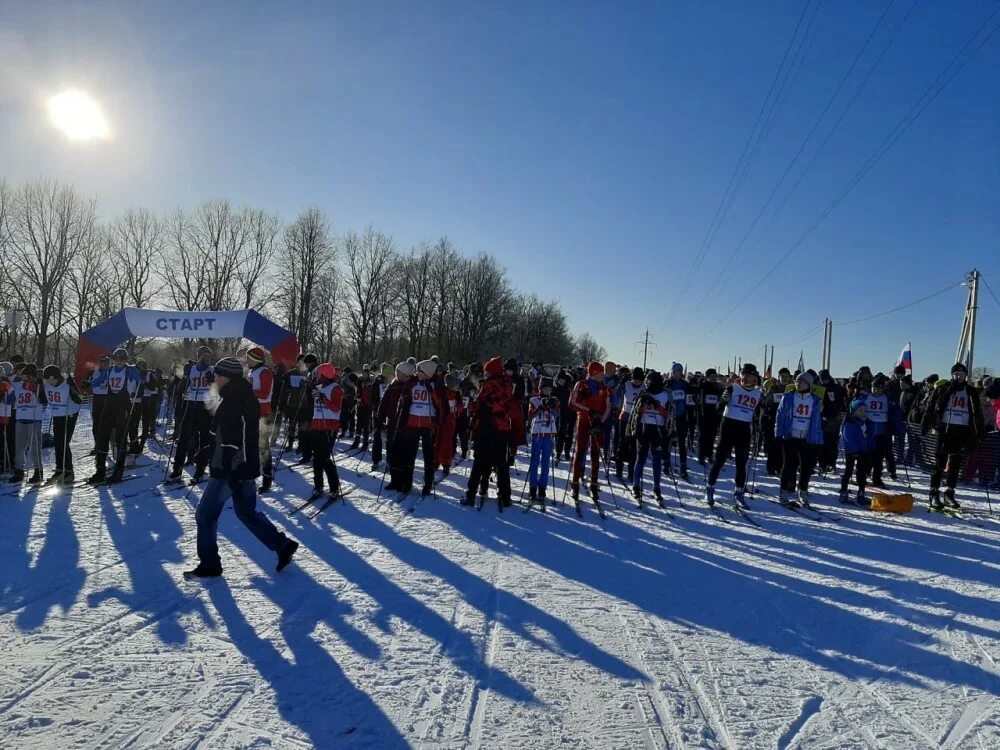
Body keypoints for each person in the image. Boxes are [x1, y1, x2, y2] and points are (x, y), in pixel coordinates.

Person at [185, 357, 299, 579]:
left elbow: (232, 439)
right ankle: (282, 545)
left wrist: (224, 466)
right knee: (246, 513)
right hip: (244, 467)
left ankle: (210, 565)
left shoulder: (233, 401)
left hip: (231, 470)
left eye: (218, 375)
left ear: (227, 377)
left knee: (205, 515)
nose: (215, 379)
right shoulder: (241, 395)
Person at [922, 362, 985, 511]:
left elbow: (977, 412)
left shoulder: (970, 391)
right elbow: (933, 407)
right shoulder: (944, 388)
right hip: (945, 429)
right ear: (952, 375)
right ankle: (934, 491)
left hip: (962, 430)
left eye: (961, 374)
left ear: (965, 376)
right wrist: (929, 424)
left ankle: (949, 492)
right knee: (939, 463)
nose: (958, 377)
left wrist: (979, 432)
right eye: (956, 374)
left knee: (956, 464)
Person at [705, 363, 762, 509]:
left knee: (741, 463)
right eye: (743, 374)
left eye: (748, 375)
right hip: (728, 425)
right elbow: (718, 409)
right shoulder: (732, 388)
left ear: (754, 378)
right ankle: (710, 488)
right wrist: (723, 401)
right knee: (719, 460)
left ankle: (739, 493)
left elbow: (757, 413)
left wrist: (758, 423)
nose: (744, 377)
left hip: (744, 429)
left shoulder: (758, 392)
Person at [465, 356, 518, 507]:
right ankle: (505, 496)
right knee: (502, 465)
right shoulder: (508, 383)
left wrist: (471, 409)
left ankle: (470, 495)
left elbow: (478, 402)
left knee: (479, 462)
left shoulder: (489, 384)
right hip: (503, 428)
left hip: (487, 428)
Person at [393, 359, 444, 496]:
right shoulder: (413, 382)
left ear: (427, 373)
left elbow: (440, 403)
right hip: (412, 423)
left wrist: (431, 390)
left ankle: (427, 484)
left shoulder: (435, 384)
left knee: (429, 456)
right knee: (409, 454)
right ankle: (406, 483)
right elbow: (403, 397)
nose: (417, 372)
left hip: (428, 425)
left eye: (419, 370)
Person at [89, 349, 140, 484]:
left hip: (123, 404)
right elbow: (97, 381)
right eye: (116, 358)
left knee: (120, 439)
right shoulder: (110, 370)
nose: (118, 361)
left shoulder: (129, 370)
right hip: (109, 403)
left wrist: (138, 375)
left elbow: (140, 381)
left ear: (125, 359)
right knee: (102, 437)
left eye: (121, 358)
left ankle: (118, 472)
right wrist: (90, 383)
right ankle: (100, 471)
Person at [775, 372, 823, 505]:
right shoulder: (789, 397)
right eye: (796, 381)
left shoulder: (815, 399)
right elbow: (780, 416)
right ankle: (784, 492)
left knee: (806, 467)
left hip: (807, 437)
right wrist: (778, 434)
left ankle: (803, 491)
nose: (797, 383)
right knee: (788, 465)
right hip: (791, 436)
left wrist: (818, 439)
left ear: (808, 384)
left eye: (801, 382)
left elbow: (817, 421)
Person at [169, 347, 215, 483]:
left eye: (208, 356)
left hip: (206, 407)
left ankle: (200, 470)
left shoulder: (212, 369)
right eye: (204, 356)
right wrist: (185, 376)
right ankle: (177, 470)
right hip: (191, 405)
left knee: (204, 439)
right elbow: (180, 389)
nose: (206, 359)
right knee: (184, 438)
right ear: (198, 356)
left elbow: (215, 387)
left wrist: (209, 375)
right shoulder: (191, 369)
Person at [569, 361, 612, 503]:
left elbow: (608, 407)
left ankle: (594, 484)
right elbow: (572, 403)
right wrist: (589, 411)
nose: (603, 376)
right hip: (583, 421)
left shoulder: (604, 388)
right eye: (600, 373)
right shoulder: (581, 384)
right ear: (594, 373)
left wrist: (600, 422)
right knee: (580, 452)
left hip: (596, 423)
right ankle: (575, 483)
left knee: (595, 454)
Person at [629, 369, 671, 505]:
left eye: (649, 381)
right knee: (640, 457)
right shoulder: (644, 393)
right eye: (646, 381)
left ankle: (657, 487)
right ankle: (636, 485)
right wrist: (642, 404)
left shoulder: (665, 395)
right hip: (643, 427)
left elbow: (669, 415)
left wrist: (657, 406)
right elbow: (636, 412)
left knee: (656, 459)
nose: (647, 384)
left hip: (658, 429)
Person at [308, 362, 344, 499]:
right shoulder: (318, 387)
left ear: (325, 375)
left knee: (325, 458)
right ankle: (318, 485)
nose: (317, 376)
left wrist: (323, 399)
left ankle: (334, 487)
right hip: (316, 425)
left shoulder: (336, 389)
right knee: (317, 458)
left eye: (319, 374)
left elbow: (336, 408)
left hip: (329, 427)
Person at [42, 365, 82, 485]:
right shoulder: (46, 384)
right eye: (48, 379)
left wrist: (73, 386)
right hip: (57, 415)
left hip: (69, 414)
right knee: (58, 443)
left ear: (57, 377)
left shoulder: (66, 384)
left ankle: (69, 472)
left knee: (63, 442)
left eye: (52, 379)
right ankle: (60, 469)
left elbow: (80, 399)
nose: (50, 382)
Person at [379, 362, 413, 492]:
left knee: (404, 453)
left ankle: (405, 482)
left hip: (406, 425)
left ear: (406, 374)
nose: (396, 373)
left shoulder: (410, 387)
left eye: (399, 372)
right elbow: (384, 403)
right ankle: (394, 480)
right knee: (392, 452)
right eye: (397, 371)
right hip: (392, 423)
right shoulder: (392, 386)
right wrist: (379, 417)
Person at [246, 347, 276, 491]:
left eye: (248, 358)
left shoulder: (265, 371)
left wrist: (247, 392)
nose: (246, 360)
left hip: (263, 412)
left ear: (255, 358)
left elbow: (264, 393)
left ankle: (267, 477)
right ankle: (251, 474)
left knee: (263, 446)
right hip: (252, 411)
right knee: (251, 444)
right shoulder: (252, 371)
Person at [526, 376, 559, 508]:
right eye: (545, 388)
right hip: (537, 434)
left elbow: (557, 415)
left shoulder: (554, 400)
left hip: (548, 434)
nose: (548, 391)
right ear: (540, 388)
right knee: (535, 461)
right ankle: (533, 488)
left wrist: (552, 406)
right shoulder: (534, 400)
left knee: (546, 463)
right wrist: (540, 407)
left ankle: (542, 488)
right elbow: (530, 415)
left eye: (550, 389)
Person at [11, 363, 45, 483]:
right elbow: (11, 399)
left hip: (34, 419)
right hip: (21, 418)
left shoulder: (40, 385)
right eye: (24, 377)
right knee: (19, 446)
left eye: (27, 377)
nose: (25, 379)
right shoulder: (18, 386)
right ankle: (19, 470)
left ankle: (38, 470)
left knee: (35, 447)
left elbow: (44, 400)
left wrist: (36, 388)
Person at [865, 374, 900, 488]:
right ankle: (864, 474)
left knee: (879, 457)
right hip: (868, 430)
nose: (875, 390)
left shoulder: (887, 398)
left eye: (878, 388)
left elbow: (895, 413)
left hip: (883, 431)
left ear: (882, 388)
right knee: (867, 455)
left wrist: (895, 426)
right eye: (873, 387)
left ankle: (877, 478)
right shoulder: (865, 397)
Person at [840, 399, 874, 505]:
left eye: (865, 410)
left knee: (862, 473)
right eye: (860, 410)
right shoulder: (849, 424)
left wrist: (871, 448)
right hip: (852, 451)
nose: (863, 412)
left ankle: (861, 493)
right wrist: (855, 450)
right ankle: (843, 492)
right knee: (848, 471)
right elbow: (848, 439)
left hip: (864, 451)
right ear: (853, 411)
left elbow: (869, 437)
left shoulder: (867, 423)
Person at [615, 367, 645, 480]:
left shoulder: (644, 387)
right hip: (624, 416)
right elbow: (617, 393)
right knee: (621, 443)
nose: (637, 381)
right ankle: (619, 469)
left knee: (633, 446)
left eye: (639, 379)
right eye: (635, 379)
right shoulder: (626, 385)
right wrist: (620, 382)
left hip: (636, 419)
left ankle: (631, 471)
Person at [435, 374, 464, 479]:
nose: (458, 388)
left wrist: (458, 409)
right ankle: (436, 461)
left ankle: (446, 464)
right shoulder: (441, 392)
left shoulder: (456, 395)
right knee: (437, 442)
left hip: (450, 423)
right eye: (456, 386)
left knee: (447, 444)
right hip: (440, 421)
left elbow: (460, 407)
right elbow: (435, 399)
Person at [665, 363, 691, 481]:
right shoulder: (667, 382)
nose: (677, 374)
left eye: (679, 372)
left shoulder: (684, 384)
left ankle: (683, 467)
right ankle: (666, 463)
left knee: (681, 442)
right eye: (675, 372)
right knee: (668, 439)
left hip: (681, 415)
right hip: (670, 416)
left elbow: (690, 396)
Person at [817, 369, 846, 472]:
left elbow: (842, 401)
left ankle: (832, 463)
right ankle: (822, 463)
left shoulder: (836, 388)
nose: (825, 381)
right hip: (822, 418)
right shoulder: (818, 389)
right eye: (823, 379)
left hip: (834, 419)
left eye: (826, 379)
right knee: (822, 443)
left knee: (832, 443)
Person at [697, 369, 724, 466]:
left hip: (714, 415)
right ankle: (701, 456)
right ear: (707, 376)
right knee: (703, 436)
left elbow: (721, 399)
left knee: (712, 436)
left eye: (714, 376)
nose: (713, 378)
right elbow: (697, 398)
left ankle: (709, 454)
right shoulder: (703, 385)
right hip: (703, 414)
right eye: (711, 376)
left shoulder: (718, 387)